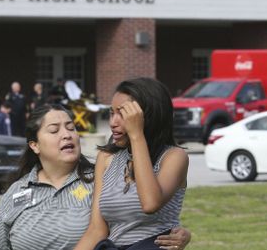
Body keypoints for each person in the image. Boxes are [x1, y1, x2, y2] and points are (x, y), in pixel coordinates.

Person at [0, 105, 190, 250]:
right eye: (54, 130)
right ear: (34, 145)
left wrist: (179, 234)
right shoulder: (17, 191)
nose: (67, 134)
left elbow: (139, 217)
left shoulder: (103, 180)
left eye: (71, 128)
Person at [75, 77, 189, 250]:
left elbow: (150, 203)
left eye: (123, 114)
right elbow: (97, 230)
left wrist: (136, 135)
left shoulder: (174, 157)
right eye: (112, 113)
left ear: (146, 116)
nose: (113, 123)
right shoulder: (106, 158)